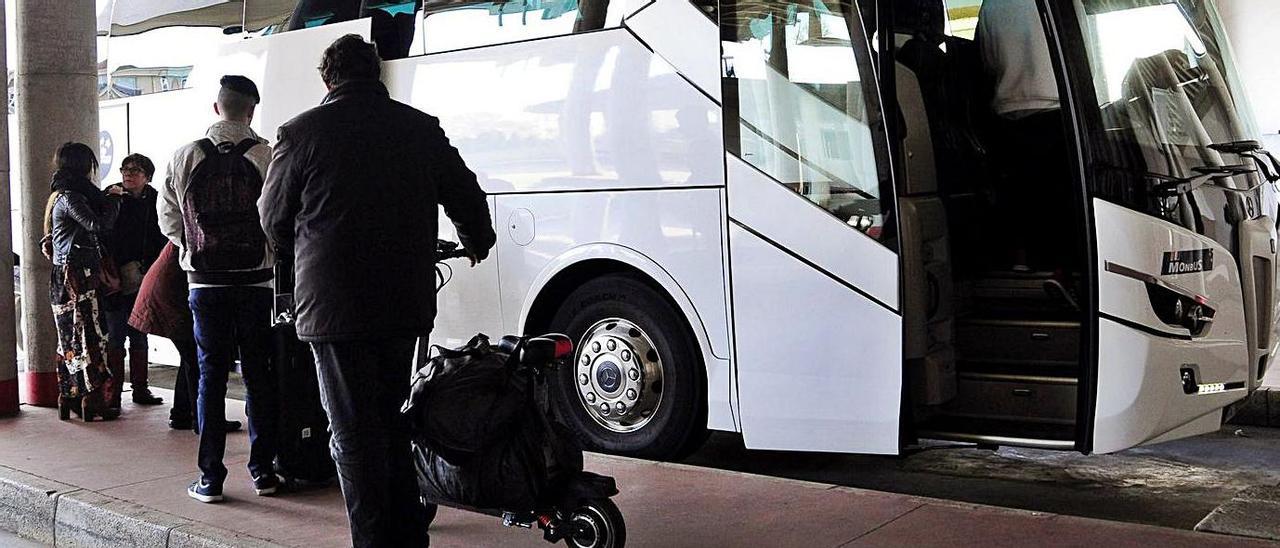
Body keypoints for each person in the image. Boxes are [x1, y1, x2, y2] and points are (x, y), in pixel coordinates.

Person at [259, 34, 496, 547]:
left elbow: (272, 216)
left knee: (351, 429)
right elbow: (466, 192)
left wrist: (295, 250)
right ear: (378, 74)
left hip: (332, 308)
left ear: (328, 79)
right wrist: (477, 240)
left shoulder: (300, 133)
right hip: (403, 300)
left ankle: (374, 540)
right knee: (391, 417)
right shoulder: (418, 128)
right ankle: (409, 535)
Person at [158, 75, 281, 503]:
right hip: (256, 282)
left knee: (210, 374)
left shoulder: (184, 155)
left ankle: (210, 478)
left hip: (204, 283)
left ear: (217, 108)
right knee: (258, 373)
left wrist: (196, 247)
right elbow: (280, 217)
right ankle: (263, 472)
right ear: (252, 110)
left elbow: (169, 220)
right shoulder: (267, 155)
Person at [44, 142, 124, 421]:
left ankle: (69, 395)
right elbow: (98, 225)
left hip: (64, 275)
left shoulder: (60, 195)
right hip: (77, 276)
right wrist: (114, 198)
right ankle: (92, 400)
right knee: (90, 336)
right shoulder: (71, 197)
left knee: (69, 338)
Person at [128, 241, 243, 433]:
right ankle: (203, 419)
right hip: (170, 298)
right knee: (196, 358)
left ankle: (183, 414)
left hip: (165, 293)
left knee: (191, 357)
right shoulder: (200, 231)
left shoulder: (189, 227)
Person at [102, 153, 167, 408]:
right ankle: (113, 393)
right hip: (116, 278)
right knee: (116, 334)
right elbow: (104, 234)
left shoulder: (156, 199)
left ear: (147, 176)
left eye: (135, 170)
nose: (128, 174)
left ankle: (141, 388)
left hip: (145, 275)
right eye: (125, 169)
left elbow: (163, 235)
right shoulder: (111, 197)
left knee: (140, 332)